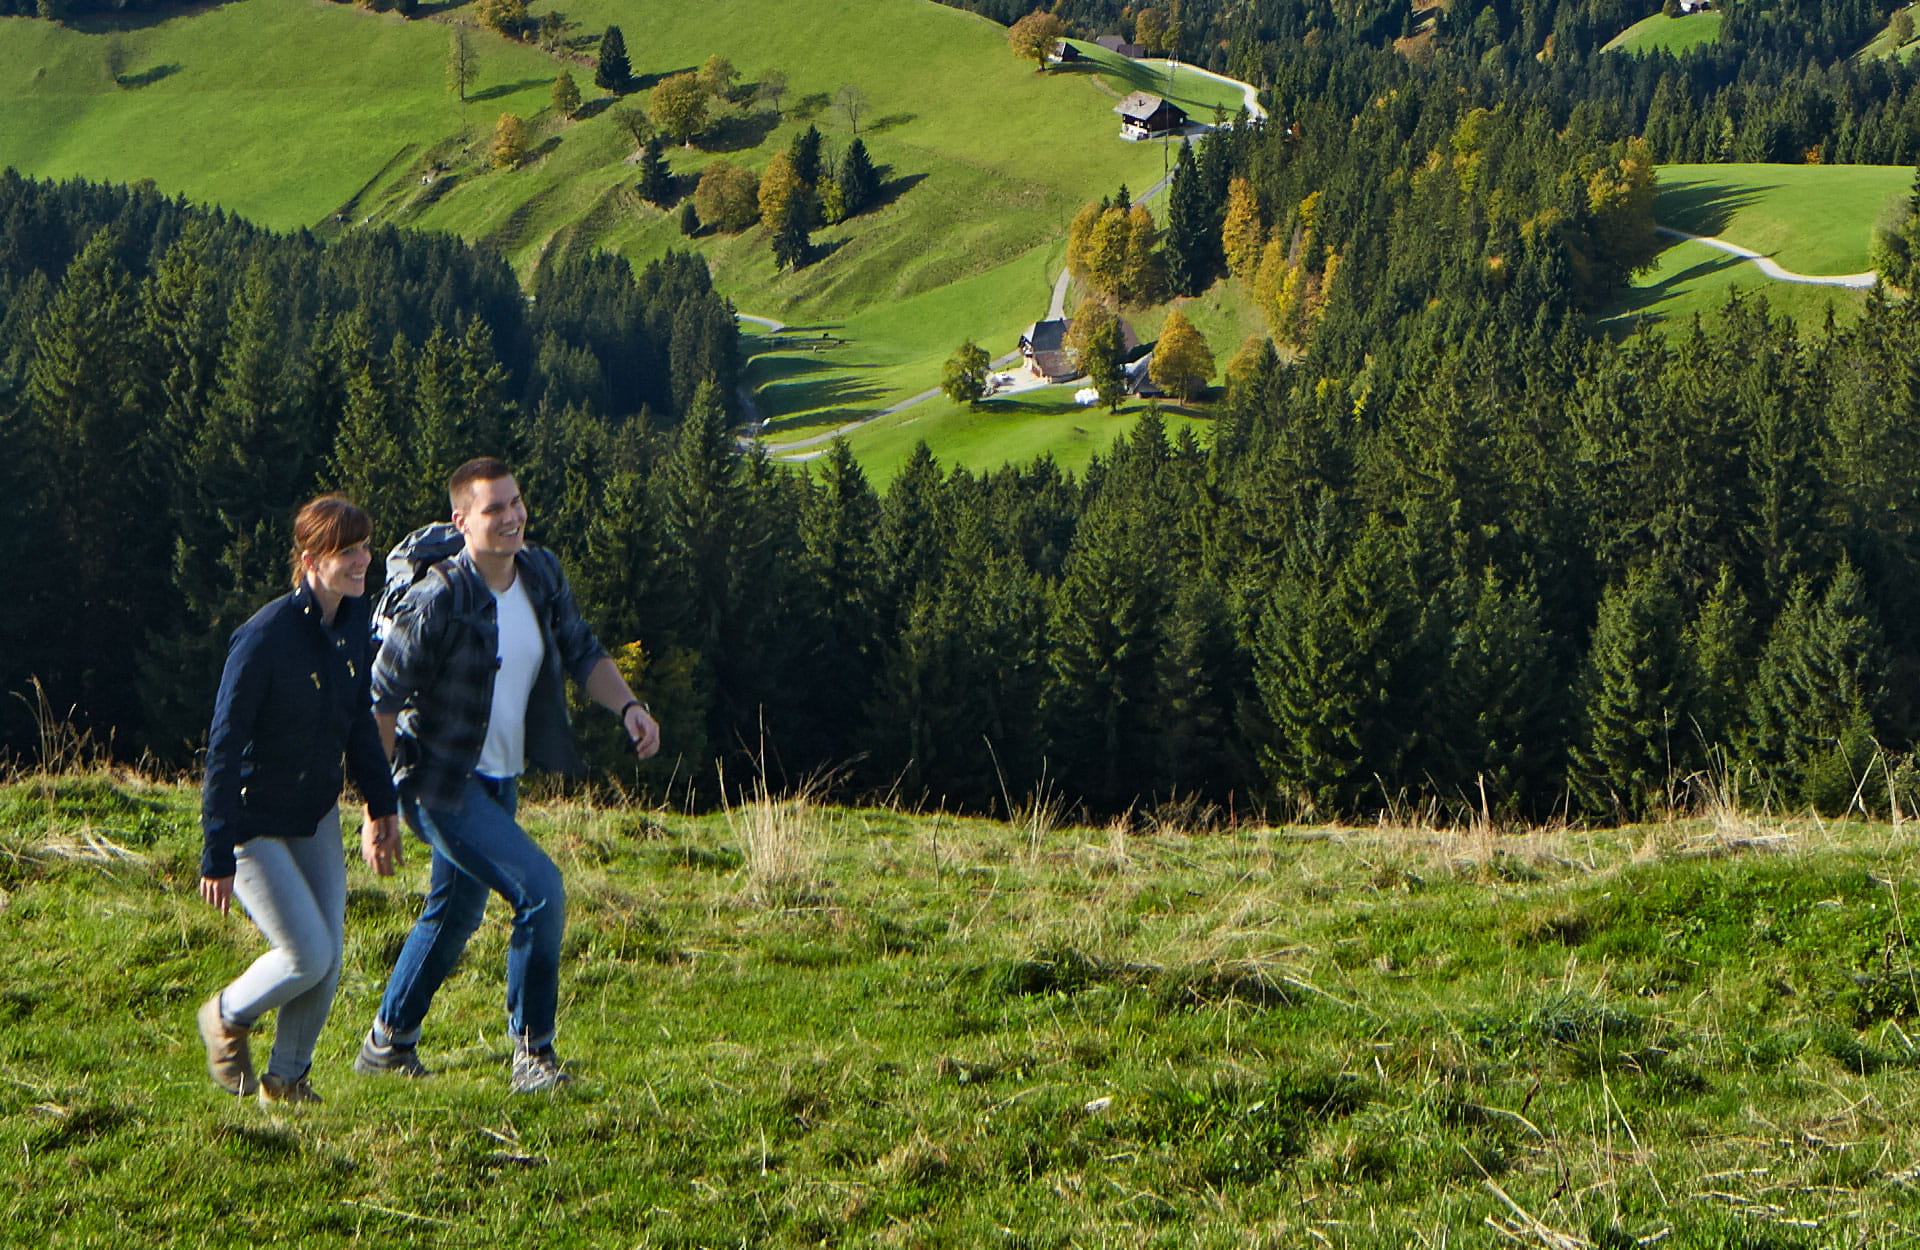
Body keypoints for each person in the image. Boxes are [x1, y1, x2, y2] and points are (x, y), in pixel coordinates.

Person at [356, 457, 660, 1093]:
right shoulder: (442, 596)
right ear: (462, 520)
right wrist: (377, 809)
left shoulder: (541, 573)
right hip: (437, 782)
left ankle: (388, 1043)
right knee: (541, 890)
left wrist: (629, 706)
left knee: (454, 913)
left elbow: (581, 648)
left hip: (500, 778)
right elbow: (381, 700)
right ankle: (534, 1055)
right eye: (494, 509)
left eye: (515, 503)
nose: (511, 517)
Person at [197, 495, 403, 1105]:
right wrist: (217, 852)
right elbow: (223, 746)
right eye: (348, 551)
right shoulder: (263, 639)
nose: (363, 559)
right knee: (306, 952)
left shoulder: (353, 624)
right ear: (311, 560)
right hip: (253, 822)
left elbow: (359, 722)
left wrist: (380, 805)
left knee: (330, 952)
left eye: (365, 547)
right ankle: (226, 1015)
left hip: (315, 815)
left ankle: (287, 1080)